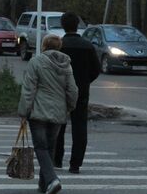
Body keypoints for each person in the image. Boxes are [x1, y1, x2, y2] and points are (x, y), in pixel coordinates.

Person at [18, 34, 78, 194]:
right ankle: (43, 186)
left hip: (38, 113)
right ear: (59, 47)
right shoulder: (67, 65)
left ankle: (52, 179)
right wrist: (69, 107)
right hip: (58, 113)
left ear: (44, 46)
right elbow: (72, 90)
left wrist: (23, 112)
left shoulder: (36, 62)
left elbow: (29, 89)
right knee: (49, 148)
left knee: (41, 148)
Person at [53, 12, 101, 174]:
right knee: (80, 127)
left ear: (63, 25)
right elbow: (96, 69)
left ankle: (57, 159)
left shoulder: (59, 46)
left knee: (58, 125)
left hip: (60, 91)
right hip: (81, 92)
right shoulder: (87, 46)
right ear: (77, 25)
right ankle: (75, 164)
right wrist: (85, 81)